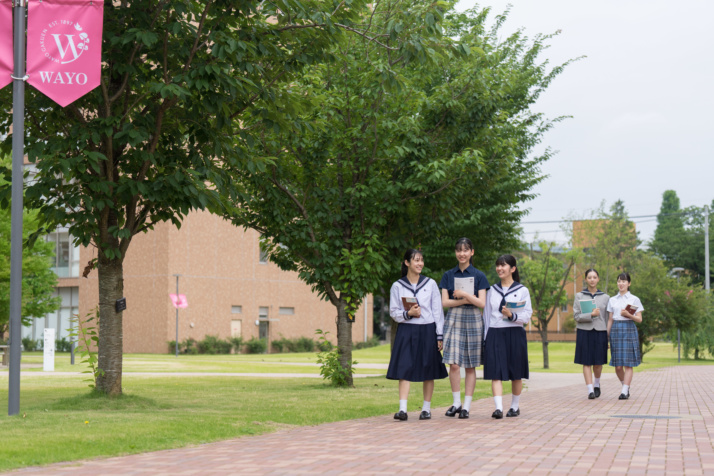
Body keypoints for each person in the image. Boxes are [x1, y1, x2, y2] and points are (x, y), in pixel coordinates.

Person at [387, 248, 448, 421]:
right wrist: (408, 314)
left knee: (428, 368)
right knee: (404, 368)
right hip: (406, 330)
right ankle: (403, 410)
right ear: (407, 263)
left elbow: (438, 312)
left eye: (421, 260)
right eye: (416, 260)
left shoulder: (430, 284)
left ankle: (426, 409)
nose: (420, 263)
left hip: (427, 329)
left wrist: (439, 335)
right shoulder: (397, 286)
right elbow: (393, 311)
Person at [440, 237, 490, 419]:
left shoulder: (479, 276)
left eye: (466, 250)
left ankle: (467, 406)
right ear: (456, 253)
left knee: (470, 365)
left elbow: (482, 303)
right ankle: (456, 402)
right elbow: (445, 302)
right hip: (453, 317)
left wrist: (464, 295)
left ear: (472, 252)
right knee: (453, 364)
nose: (462, 254)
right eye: (459, 250)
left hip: (474, 318)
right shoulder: (448, 275)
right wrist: (464, 298)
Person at [483, 254, 532, 419]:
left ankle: (514, 406)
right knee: (495, 371)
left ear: (512, 269)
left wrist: (512, 315)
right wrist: (486, 337)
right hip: (495, 332)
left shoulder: (522, 290)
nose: (499, 268)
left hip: (515, 333)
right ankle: (498, 408)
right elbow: (487, 315)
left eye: (503, 265)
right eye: (498, 265)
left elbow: (527, 315)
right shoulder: (492, 290)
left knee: (515, 372)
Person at [573, 268, 610, 399]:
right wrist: (591, 315)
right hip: (584, 331)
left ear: (598, 279)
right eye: (589, 277)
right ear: (586, 279)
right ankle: (590, 390)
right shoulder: (579, 296)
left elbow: (607, 319)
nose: (592, 280)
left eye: (594, 277)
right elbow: (576, 316)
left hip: (600, 332)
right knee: (586, 362)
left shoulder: (606, 297)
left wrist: (608, 337)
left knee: (598, 363)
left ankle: (597, 384)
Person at [607, 272, 644, 400]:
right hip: (616, 330)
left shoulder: (634, 299)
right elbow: (610, 319)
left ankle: (624, 390)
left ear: (629, 283)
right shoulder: (612, 300)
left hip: (629, 328)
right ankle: (625, 386)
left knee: (628, 364)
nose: (621, 283)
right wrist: (607, 337)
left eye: (623, 281)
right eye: (619, 281)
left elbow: (639, 319)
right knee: (617, 366)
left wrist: (629, 315)